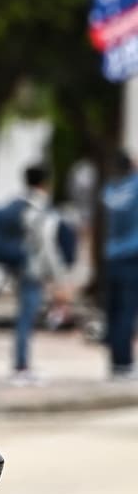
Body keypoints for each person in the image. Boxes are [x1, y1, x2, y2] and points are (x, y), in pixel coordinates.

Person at [1, 164, 72, 386]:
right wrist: (59, 279)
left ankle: (21, 365)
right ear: (45, 183)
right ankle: (22, 367)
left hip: (18, 267)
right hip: (34, 270)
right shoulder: (43, 210)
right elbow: (48, 248)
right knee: (27, 318)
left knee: (24, 315)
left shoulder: (18, 205)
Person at [101, 150, 138, 380]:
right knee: (127, 311)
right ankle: (125, 363)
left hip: (112, 255)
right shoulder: (135, 188)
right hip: (132, 256)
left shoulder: (110, 191)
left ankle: (115, 363)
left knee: (113, 312)